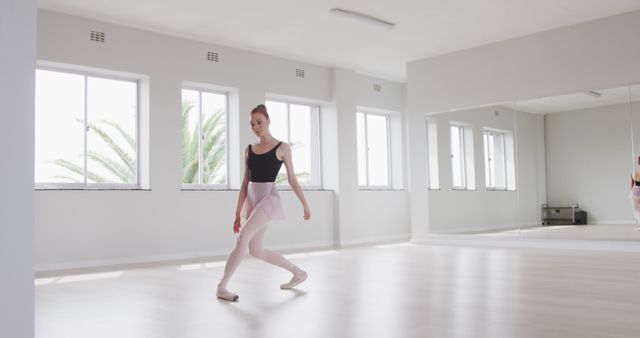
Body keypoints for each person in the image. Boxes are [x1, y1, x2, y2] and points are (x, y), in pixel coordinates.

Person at [216, 104, 311, 301]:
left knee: (243, 238)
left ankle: (222, 286)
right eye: (252, 124)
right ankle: (298, 272)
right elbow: (244, 183)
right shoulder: (249, 150)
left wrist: (305, 204)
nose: (256, 127)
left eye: (259, 122)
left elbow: (292, 179)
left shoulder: (282, 148)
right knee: (255, 250)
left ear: (268, 121)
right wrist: (237, 213)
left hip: (268, 198)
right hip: (252, 198)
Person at [630, 156, 640, 232]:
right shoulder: (634, 172)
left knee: (637, 210)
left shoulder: (634, 172)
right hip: (636, 191)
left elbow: (632, 184)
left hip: (635, 191)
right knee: (637, 210)